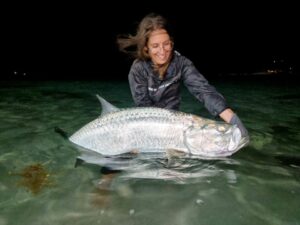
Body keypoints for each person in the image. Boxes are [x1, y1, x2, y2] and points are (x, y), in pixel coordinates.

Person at [117, 13, 249, 138]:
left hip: (174, 123)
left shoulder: (182, 64)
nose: (162, 51)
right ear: (147, 48)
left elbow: (204, 91)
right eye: (155, 46)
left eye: (166, 44)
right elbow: (143, 107)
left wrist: (234, 120)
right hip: (149, 124)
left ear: (172, 42)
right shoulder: (138, 69)